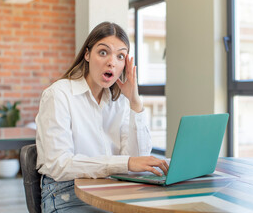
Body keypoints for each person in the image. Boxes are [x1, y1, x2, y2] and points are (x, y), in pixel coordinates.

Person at [35, 21, 169, 213]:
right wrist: (125, 163)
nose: (111, 62)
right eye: (103, 52)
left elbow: (138, 161)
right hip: (66, 193)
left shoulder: (121, 102)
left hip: (113, 190)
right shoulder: (58, 94)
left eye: (120, 56)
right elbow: (59, 165)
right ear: (87, 54)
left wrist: (135, 103)